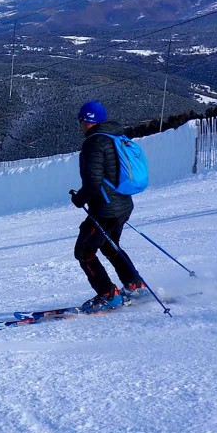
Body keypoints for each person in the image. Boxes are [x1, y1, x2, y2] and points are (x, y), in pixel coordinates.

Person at [69, 100, 145, 313]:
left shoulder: (94, 143)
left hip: (104, 210)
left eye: (81, 121)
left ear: (88, 121)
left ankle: (108, 295)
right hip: (123, 205)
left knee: (84, 252)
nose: (80, 126)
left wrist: (79, 199)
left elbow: (93, 182)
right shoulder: (117, 136)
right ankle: (135, 285)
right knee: (110, 246)